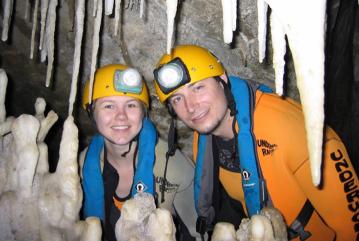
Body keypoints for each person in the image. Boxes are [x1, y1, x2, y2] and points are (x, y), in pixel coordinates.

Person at [152, 45, 359, 241]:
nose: (191, 106)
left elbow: (351, 223)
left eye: (198, 87)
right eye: (177, 99)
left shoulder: (287, 127)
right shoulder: (203, 140)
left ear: (222, 80)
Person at [80, 64, 201, 241]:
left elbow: (198, 233)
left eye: (131, 105)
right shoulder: (80, 165)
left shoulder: (172, 165)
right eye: (108, 106)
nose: (121, 116)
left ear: (143, 113)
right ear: (92, 113)